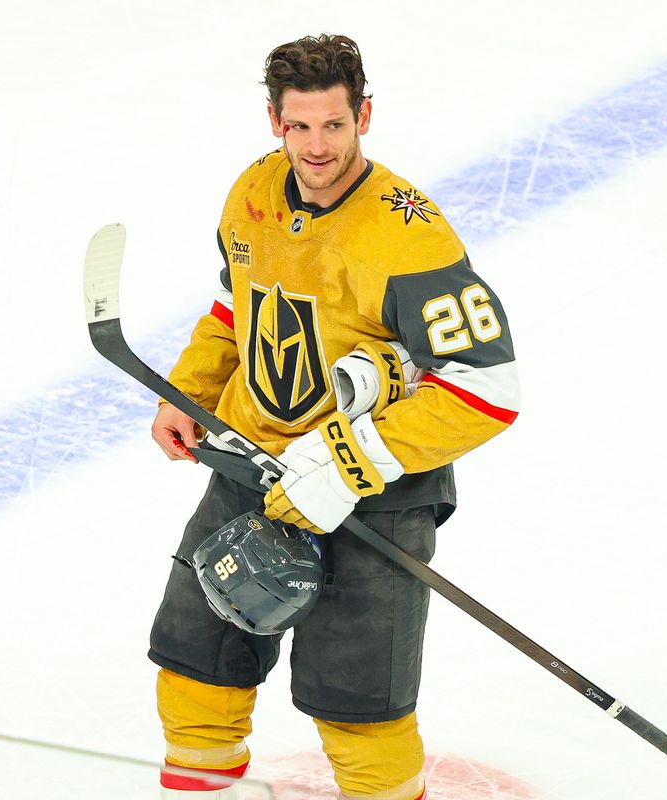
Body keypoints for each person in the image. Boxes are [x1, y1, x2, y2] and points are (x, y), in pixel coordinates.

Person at [148, 34, 520, 800]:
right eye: (299, 127)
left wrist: (349, 463)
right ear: (274, 122)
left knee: (361, 716)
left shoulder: (407, 233)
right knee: (195, 675)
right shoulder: (253, 191)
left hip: (376, 502)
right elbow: (237, 307)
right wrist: (187, 392)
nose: (316, 147)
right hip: (250, 468)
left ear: (365, 117)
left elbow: (489, 387)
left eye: (334, 126)